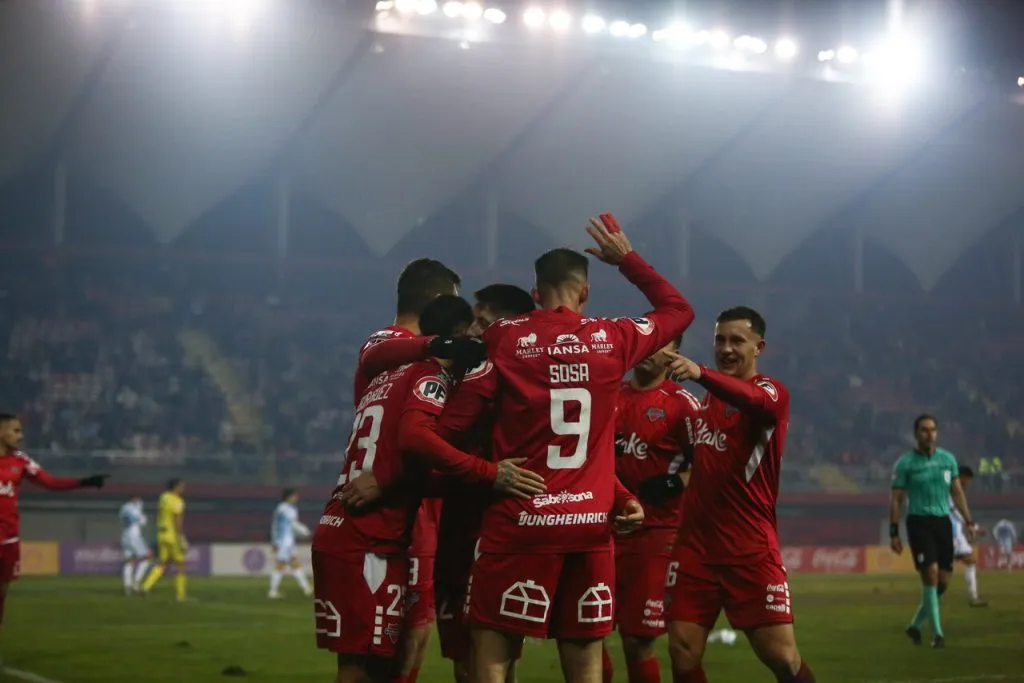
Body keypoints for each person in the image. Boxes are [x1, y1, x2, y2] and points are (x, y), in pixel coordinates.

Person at [442, 215, 695, 683]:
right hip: (588, 527)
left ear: (535, 293)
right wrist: (627, 260)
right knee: (583, 666)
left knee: (494, 654)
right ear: (585, 293)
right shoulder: (615, 339)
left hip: (520, 520)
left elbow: (458, 425)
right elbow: (678, 310)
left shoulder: (506, 336)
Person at [311, 295, 545, 683]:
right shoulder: (431, 377)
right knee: (369, 666)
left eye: (483, 324)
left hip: (363, 531)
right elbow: (417, 440)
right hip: (372, 538)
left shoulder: (387, 374)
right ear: (455, 336)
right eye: (472, 325)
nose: (477, 333)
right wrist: (488, 472)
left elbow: (421, 459)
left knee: (385, 660)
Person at [663, 307, 816, 683]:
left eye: (737, 341)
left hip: (747, 547)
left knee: (780, 656)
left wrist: (700, 373)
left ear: (759, 346)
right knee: (682, 649)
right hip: (695, 546)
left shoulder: (771, 394)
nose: (726, 348)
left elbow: (753, 400)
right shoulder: (705, 405)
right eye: (719, 339)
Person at [602, 337, 700, 683]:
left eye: (660, 344)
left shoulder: (683, 404)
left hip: (655, 535)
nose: (648, 349)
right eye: (644, 342)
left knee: (638, 640)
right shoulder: (607, 393)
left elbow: (710, 463)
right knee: (583, 632)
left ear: (674, 355)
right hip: (602, 530)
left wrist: (676, 482)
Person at [0, 413, 108, 632]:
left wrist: (83, 482)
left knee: (1, 595)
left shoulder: (20, 461)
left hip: (9, 538)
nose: (21, 436)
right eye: (16, 430)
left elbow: (50, 482)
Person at [889, 414, 974, 649]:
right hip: (919, 522)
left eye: (933, 429)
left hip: (943, 522)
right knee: (931, 575)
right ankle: (938, 635)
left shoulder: (948, 460)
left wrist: (969, 521)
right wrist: (894, 532)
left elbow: (957, 493)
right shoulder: (905, 464)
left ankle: (915, 625)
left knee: (943, 582)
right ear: (916, 434)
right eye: (925, 430)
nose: (930, 434)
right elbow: (896, 499)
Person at [140, 478, 189, 601]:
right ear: (176, 487)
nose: (183, 488)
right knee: (181, 564)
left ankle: (146, 586)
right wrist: (181, 537)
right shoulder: (177, 501)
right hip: (172, 535)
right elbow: (177, 519)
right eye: (181, 486)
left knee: (164, 562)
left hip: (161, 534)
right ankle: (180, 595)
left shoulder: (163, 497)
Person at [949, 466, 986, 607]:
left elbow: (956, 514)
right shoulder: (947, 493)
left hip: (953, 533)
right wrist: (973, 527)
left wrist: (973, 526)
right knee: (970, 560)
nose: (968, 485)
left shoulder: (949, 495)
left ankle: (973, 596)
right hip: (952, 534)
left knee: (969, 560)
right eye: (967, 481)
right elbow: (954, 514)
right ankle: (973, 597)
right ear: (962, 477)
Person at [269, 488, 312, 599]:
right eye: (294, 496)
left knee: (295, 563)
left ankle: (306, 588)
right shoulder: (289, 509)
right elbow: (293, 525)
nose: (296, 498)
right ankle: (272, 591)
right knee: (281, 565)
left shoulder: (279, 508)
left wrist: (274, 542)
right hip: (285, 542)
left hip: (283, 540)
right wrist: (305, 532)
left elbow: (275, 526)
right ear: (288, 497)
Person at [119, 496, 151, 596]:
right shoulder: (134, 509)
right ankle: (136, 584)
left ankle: (127, 586)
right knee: (147, 558)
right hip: (134, 536)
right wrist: (143, 518)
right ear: (134, 500)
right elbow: (141, 521)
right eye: (138, 500)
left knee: (129, 561)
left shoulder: (123, 508)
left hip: (125, 536)